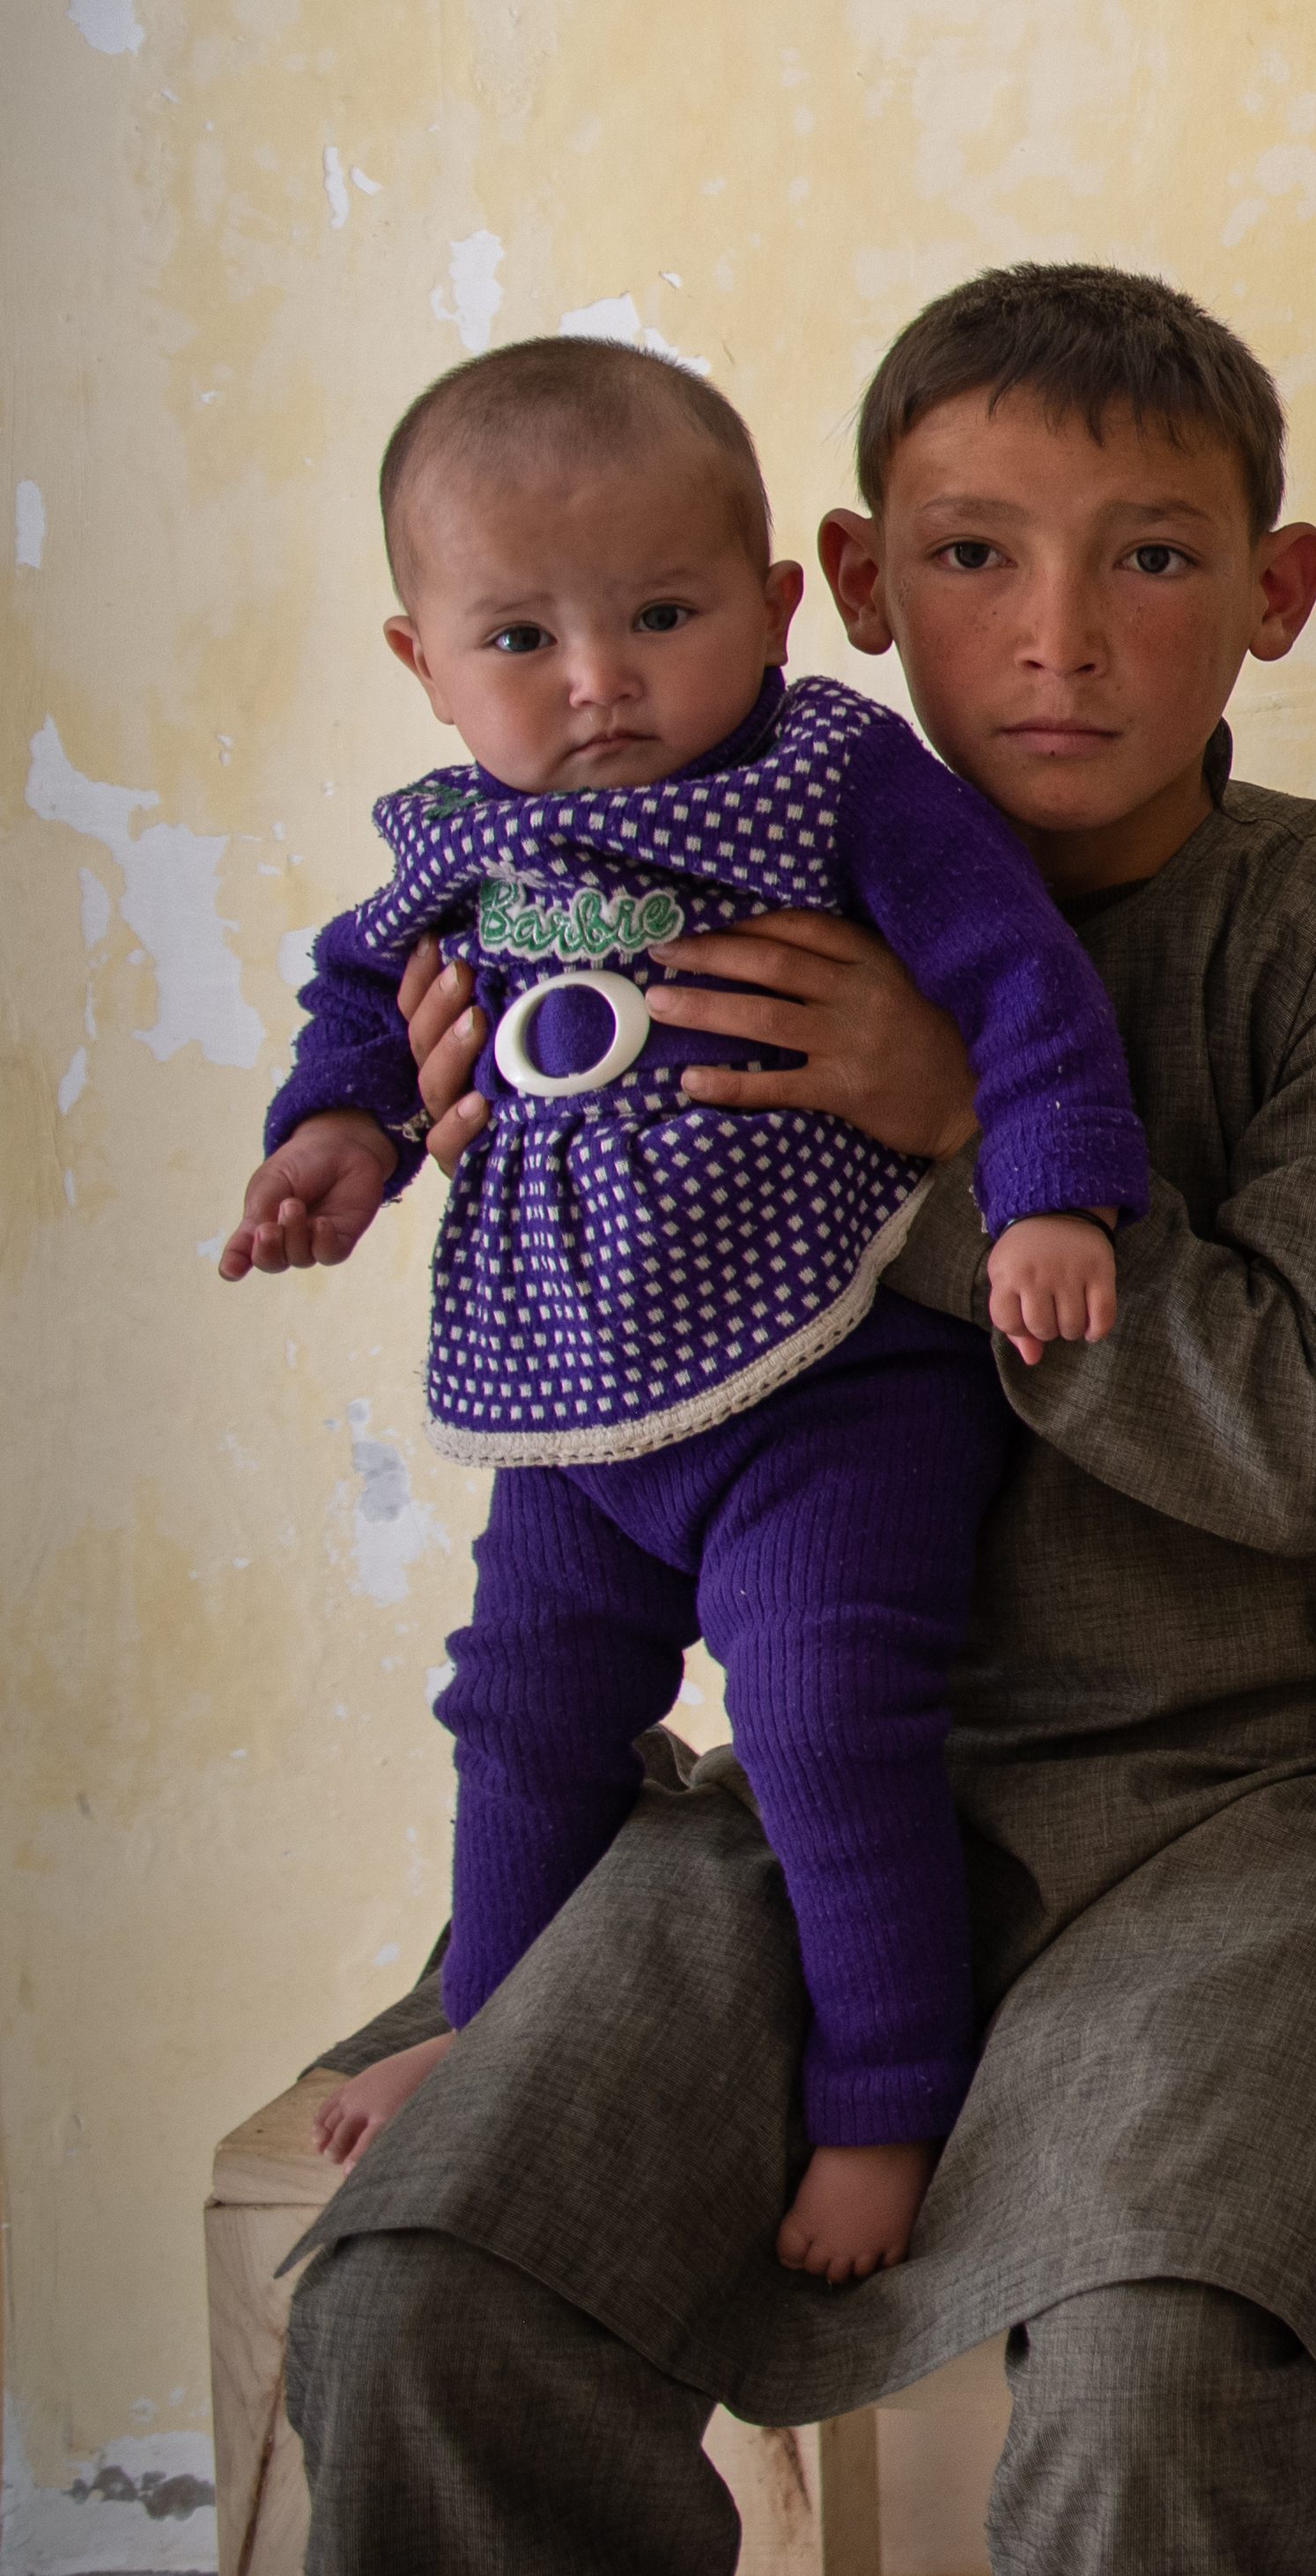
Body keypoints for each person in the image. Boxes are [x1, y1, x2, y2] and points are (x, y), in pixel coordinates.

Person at [277, 264, 1316, 2576]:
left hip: (1240, 1803)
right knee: (420, 2295)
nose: (1057, 633)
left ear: (1272, 592)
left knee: (1158, 2377)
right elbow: (603, 1408)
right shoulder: (625, 883)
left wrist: (959, 1137)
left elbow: (1304, 1441)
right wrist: (427, 1120)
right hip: (839, 1799)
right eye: (972, 554)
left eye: (1149, 554)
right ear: (851, 584)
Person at [227, 336, 1147, 2284]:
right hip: (573, 1386)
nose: (599, 682)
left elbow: (1023, 978)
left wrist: (1049, 1193)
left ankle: (885, 2097)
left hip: (832, 1382)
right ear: (420, 662)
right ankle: (489, 2010)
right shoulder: (457, 843)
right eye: (521, 639)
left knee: (825, 1717)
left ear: (779, 603)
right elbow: (356, 1013)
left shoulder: (834, 775)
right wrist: (336, 1135)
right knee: (523, 1711)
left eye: (661, 614)